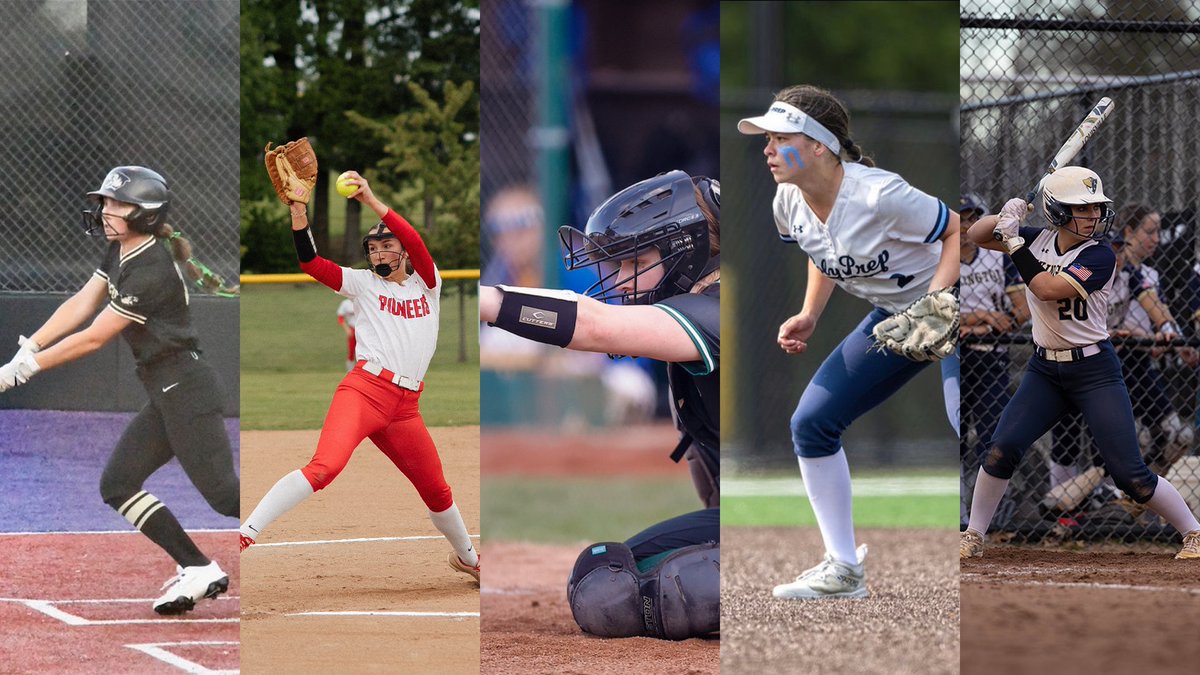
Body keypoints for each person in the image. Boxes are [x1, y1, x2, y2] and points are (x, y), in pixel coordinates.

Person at [736, 85, 959, 599]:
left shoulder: (880, 193)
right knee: (812, 424)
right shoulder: (787, 200)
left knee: (962, 419)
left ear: (819, 145)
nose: (767, 149)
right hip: (894, 316)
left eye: (779, 138)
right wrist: (810, 313)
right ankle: (843, 570)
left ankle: (991, 538)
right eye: (765, 140)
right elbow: (821, 250)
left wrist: (939, 303)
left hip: (953, 302)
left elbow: (955, 232)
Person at [479, 169, 720, 640]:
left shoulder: (716, 306)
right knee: (603, 576)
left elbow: (594, 326)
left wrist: (482, 302)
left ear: (684, 250)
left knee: (615, 591)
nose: (621, 280)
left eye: (634, 263)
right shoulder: (698, 302)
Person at [0, 166, 239, 614]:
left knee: (225, 496)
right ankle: (199, 568)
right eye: (106, 202)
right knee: (118, 484)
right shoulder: (121, 250)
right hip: (167, 391)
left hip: (187, 388)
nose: (105, 211)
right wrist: (29, 346)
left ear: (145, 215)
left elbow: (94, 336)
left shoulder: (150, 270)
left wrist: (26, 370)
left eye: (116, 204)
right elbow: (82, 303)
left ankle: (303, 529)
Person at [238, 171, 480, 583]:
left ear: (403, 253)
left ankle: (470, 561)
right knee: (324, 467)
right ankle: (245, 534)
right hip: (364, 392)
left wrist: (371, 199)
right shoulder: (363, 284)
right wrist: (299, 211)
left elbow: (417, 240)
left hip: (406, 409)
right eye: (373, 248)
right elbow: (311, 263)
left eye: (388, 245)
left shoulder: (428, 285)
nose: (380, 252)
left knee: (437, 491)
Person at [960, 166, 1200, 560]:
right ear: (1056, 211)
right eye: (1082, 208)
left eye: (1096, 208)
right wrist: (1008, 215)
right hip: (1044, 372)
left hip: (1094, 372)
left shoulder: (1101, 255)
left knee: (1131, 476)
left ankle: (1193, 532)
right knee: (1001, 448)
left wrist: (1015, 241)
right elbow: (974, 235)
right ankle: (974, 534)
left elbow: (1046, 288)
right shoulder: (1036, 239)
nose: (1093, 216)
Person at [959, 193, 1029, 528]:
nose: (964, 224)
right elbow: (935, 315)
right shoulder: (940, 258)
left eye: (971, 217)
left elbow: (1022, 310)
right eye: (958, 217)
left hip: (992, 360)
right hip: (954, 359)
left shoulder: (995, 259)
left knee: (992, 437)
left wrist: (994, 322)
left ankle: (982, 518)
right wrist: (981, 318)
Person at [336, 298, 356, 372]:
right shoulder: (346, 303)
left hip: (364, 330)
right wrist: (347, 329)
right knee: (351, 351)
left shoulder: (363, 299)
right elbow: (340, 318)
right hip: (352, 329)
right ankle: (350, 372)